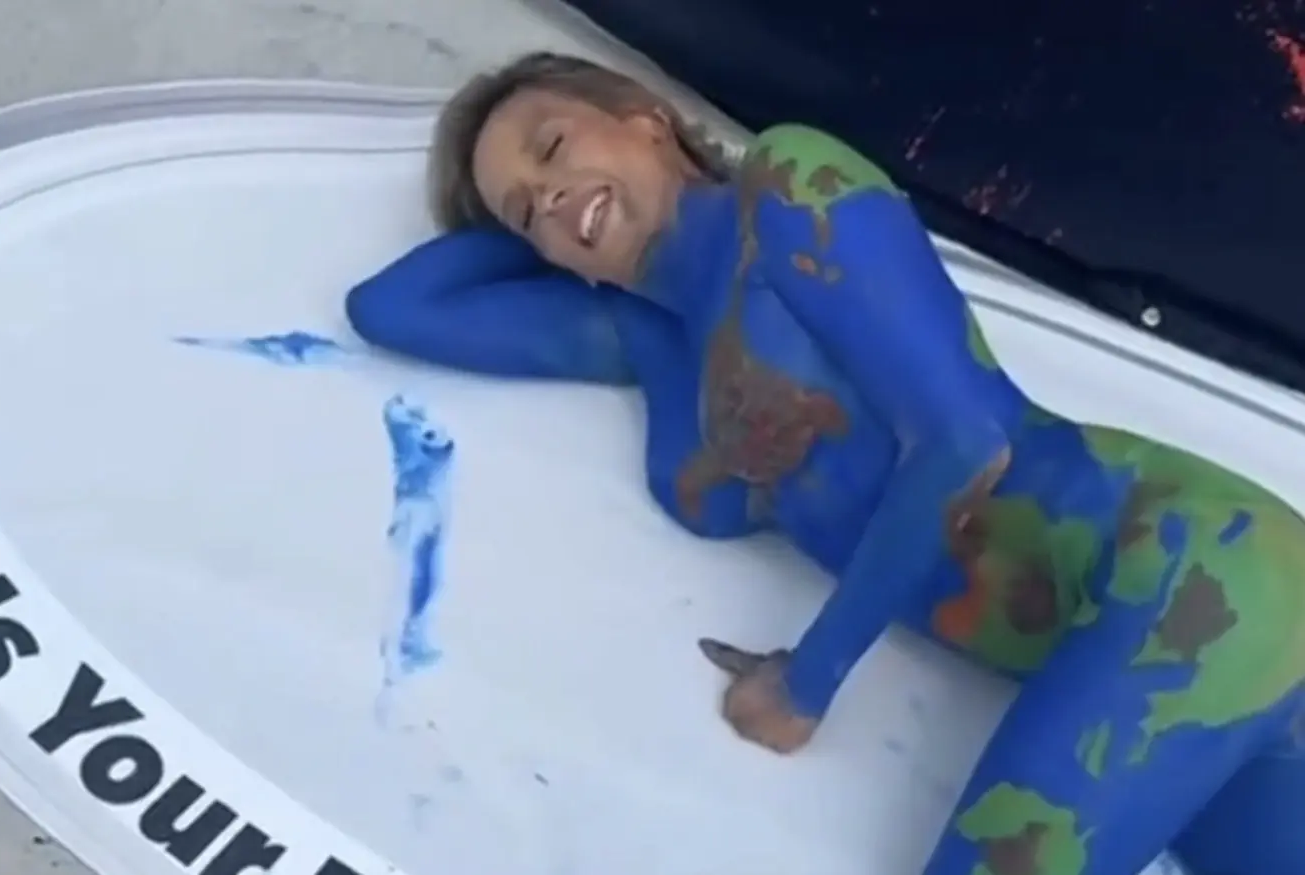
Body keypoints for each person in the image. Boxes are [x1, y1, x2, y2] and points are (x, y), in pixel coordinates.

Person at [345, 51, 1305, 875]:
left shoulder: (789, 189)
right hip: (1123, 640)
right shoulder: (649, 342)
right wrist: (562, 228)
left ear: (644, 119)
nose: (546, 195)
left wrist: (807, 680)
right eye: (522, 213)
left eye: (553, 146)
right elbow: (391, 308)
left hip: (1189, 573)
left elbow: (965, 443)